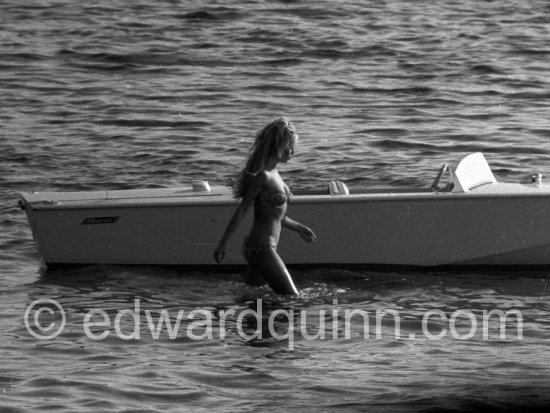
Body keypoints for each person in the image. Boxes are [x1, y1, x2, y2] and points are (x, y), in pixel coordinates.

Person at [214, 117, 317, 295]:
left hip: (258, 248)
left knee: (254, 300)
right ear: (277, 145)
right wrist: (222, 243)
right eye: (289, 147)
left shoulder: (275, 173)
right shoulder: (262, 176)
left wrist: (299, 228)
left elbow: (275, 216)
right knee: (292, 298)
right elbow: (243, 210)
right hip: (262, 248)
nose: (292, 152)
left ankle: (234, 321)